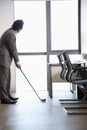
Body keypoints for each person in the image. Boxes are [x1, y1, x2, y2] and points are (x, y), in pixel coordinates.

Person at [0, 20, 24, 104]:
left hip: (6, 59)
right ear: (19, 28)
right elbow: (13, 49)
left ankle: (7, 95)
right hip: (3, 59)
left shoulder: (10, 32)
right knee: (4, 79)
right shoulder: (10, 34)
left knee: (7, 78)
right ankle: (4, 98)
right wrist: (17, 61)